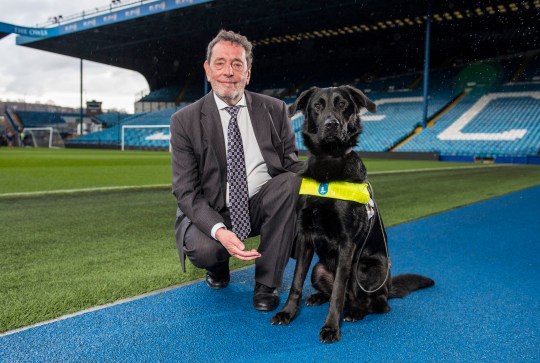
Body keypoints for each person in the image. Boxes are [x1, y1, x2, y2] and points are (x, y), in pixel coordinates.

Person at [170, 30, 304, 311]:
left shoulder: (275, 109)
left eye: (237, 64)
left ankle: (267, 283)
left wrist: (334, 172)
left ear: (248, 73)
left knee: (292, 182)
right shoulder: (184, 121)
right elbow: (185, 191)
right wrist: (219, 230)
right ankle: (218, 267)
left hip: (260, 203)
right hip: (212, 210)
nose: (228, 72)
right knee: (207, 250)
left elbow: (292, 164)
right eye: (220, 63)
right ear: (208, 70)